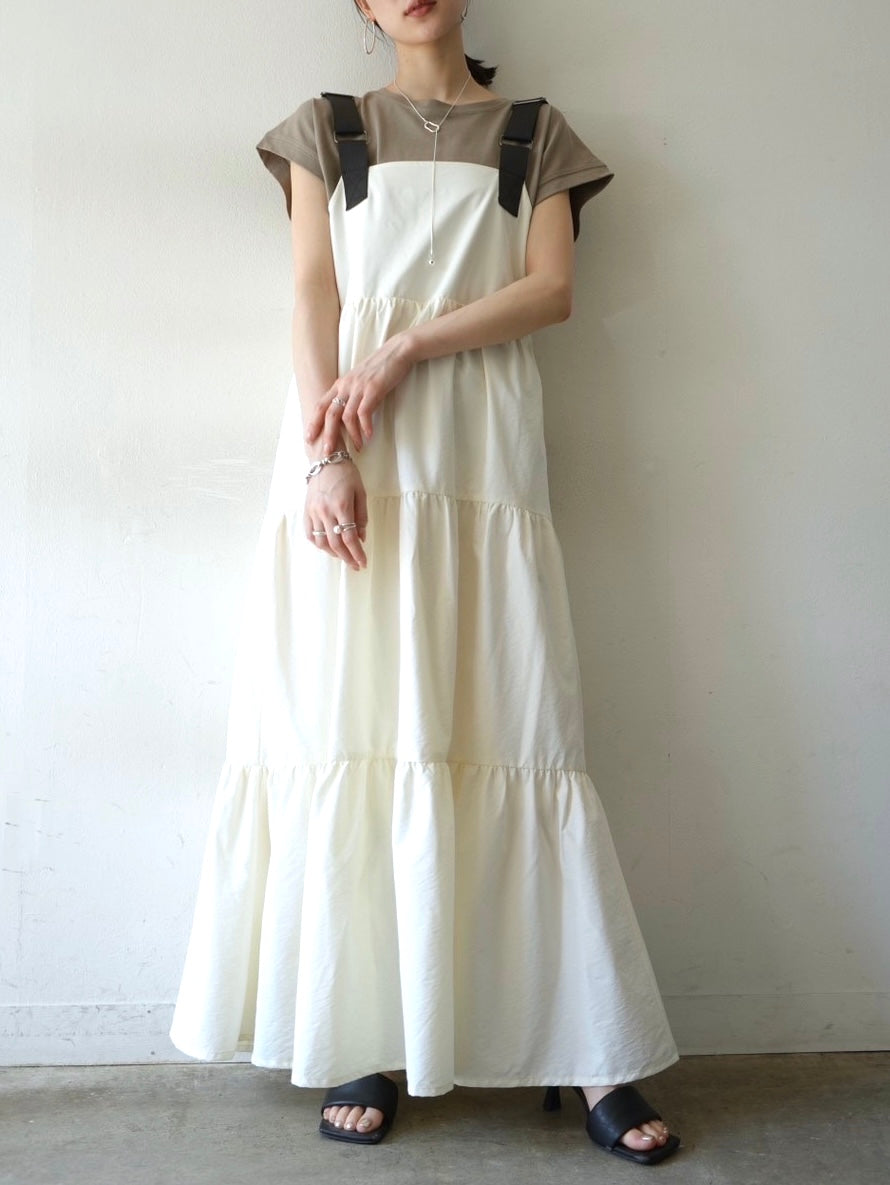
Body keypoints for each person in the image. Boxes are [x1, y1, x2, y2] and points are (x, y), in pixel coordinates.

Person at [169, 0, 681, 1167]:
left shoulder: (533, 132)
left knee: (514, 726)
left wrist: (404, 347)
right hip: (348, 450)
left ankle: (587, 1050)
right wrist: (322, 456)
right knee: (351, 719)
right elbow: (313, 293)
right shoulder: (328, 128)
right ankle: (359, 1031)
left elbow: (548, 290)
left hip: (479, 452)